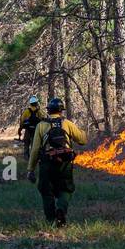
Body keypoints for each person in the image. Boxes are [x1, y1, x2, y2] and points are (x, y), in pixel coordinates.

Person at [27, 97, 87, 227]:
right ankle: (61, 210)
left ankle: (50, 221)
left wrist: (30, 169)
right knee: (66, 189)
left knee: (46, 190)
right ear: (61, 111)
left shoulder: (41, 125)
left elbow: (35, 149)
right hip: (65, 163)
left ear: (48, 110)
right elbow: (82, 140)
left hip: (47, 164)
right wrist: (82, 131)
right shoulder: (67, 124)